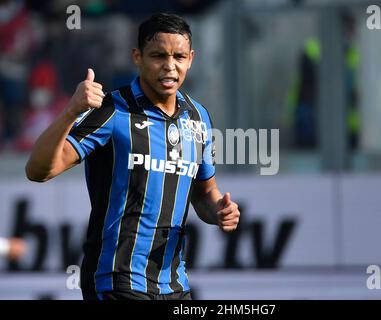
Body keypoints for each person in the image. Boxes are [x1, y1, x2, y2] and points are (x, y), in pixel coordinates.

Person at [25, 12, 240, 300]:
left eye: (178, 57)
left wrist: (219, 212)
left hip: (174, 284)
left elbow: (204, 194)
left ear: (191, 59)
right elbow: (38, 170)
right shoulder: (112, 110)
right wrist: (71, 111)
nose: (169, 67)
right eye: (158, 56)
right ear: (137, 57)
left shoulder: (198, 117)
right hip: (116, 279)